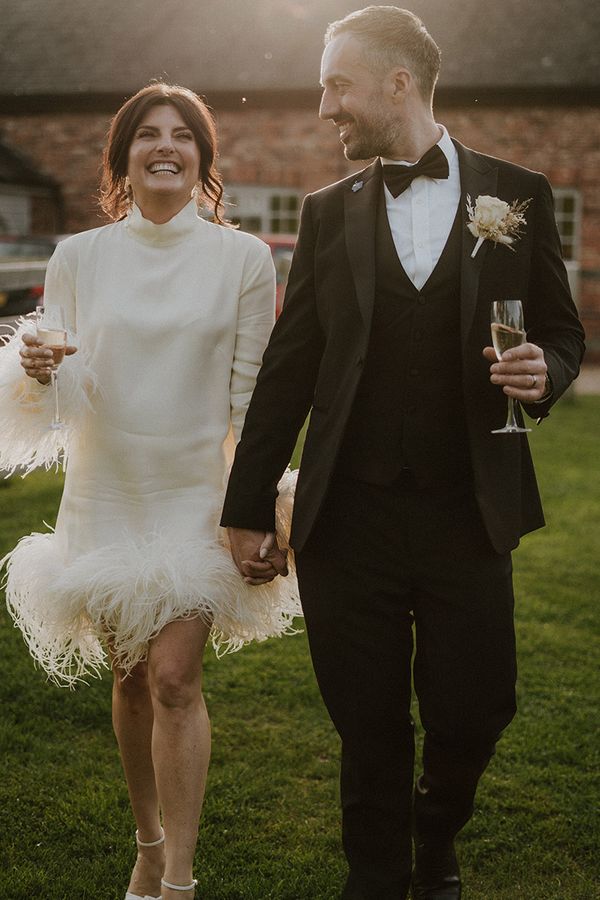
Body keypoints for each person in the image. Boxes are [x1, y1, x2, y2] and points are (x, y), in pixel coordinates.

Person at [221, 7, 585, 899]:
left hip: (471, 509)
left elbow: (564, 333)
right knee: (366, 719)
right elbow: (288, 370)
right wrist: (244, 505)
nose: (323, 109)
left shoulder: (520, 193)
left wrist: (550, 371)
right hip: (349, 515)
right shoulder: (324, 214)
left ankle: (438, 827)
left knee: (477, 708)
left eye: (336, 85)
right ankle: (377, 876)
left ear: (397, 83)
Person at [0, 82, 297, 900]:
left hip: (194, 494)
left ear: (202, 158)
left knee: (174, 676)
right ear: (123, 156)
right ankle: (147, 839)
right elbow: (55, 398)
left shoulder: (243, 259)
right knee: (129, 676)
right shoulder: (78, 259)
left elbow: (252, 399)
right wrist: (33, 371)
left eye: (182, 136)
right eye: (147, 135)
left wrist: (258, 505)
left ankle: (178, 879)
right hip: (106, 495)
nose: (165, 147)